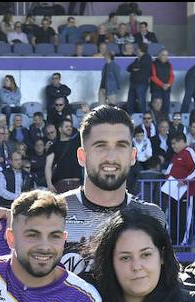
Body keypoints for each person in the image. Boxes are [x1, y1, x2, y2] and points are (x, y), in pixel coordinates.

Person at [58, 105, 166, 276]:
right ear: (82, 156)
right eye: (100, 146)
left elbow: (166, 288)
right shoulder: (55, 212)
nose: (111, 157)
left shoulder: (152, 217)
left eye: (121, 146)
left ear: (132, 156)